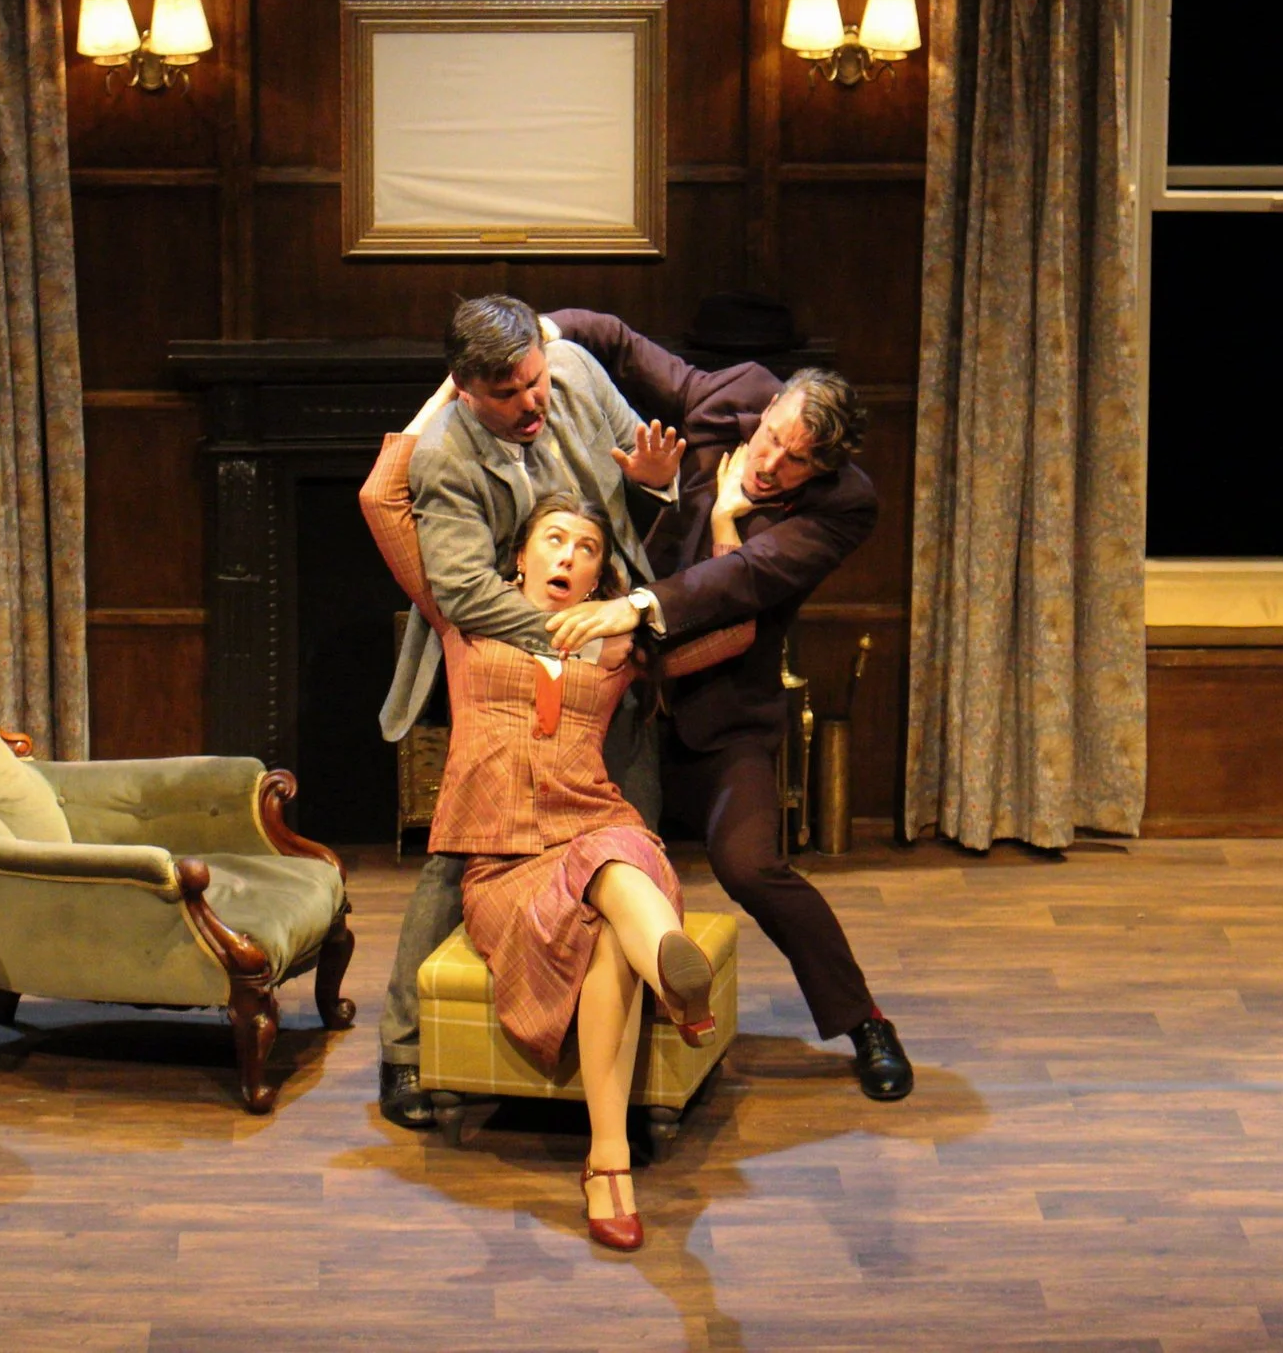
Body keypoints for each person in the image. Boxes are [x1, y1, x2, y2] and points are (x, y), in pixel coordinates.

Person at [361, 380, 750, 1250]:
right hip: (504, 857)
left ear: (600, 572)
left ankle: (614, 1140)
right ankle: (658, 999)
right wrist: (454, 389)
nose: (570, 555)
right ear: (520, 560)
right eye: (555, 540)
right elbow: (381, 497)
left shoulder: (614, 641)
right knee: (612, 913)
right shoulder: (468, 617)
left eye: (586, 546)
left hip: (593, 823)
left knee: (616, 858)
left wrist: (721, 522)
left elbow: (733, 631)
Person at [532, 308, 915, 1101]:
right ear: (768, 408)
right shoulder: (735, 393)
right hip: (624, 700)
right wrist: (542, 330)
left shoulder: (844, 508)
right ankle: (579, 1036)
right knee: (588, 861)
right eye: (772, 437)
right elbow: (621, 343)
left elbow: (738, 586)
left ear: (827, 466)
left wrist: (651, 590)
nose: (772, 461)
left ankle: (863, 1020)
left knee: (750, 865)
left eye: (797, 459)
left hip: (724, 706)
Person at [375, 295, 683, 1130]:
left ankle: (644, 1067)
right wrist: (568, 634)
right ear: (466, 389)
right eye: (508, 392)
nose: (533, 403)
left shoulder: (575, 373)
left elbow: (643, 477)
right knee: (463, 850)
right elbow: (463, 590)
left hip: (614, 632)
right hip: (507, 644)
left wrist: (656, 495)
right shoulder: (445, 454)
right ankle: (403, 1051)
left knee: (631, 839)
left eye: (535, 381)